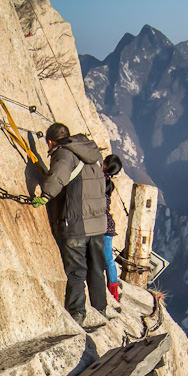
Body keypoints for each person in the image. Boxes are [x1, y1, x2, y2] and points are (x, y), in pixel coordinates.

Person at [37, 122, 109, 324]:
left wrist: (45, 195)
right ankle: (100, 308)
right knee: (96, 267)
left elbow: (56, 179)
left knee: (76, 270)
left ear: (51, 141)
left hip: (77, 223)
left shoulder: (64, 154)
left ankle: (77, 313)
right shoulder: (92, 154)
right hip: (98, 224)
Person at [102, 154, 123, 303]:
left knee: (108, 259)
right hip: (108, 225)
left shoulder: (99, 179)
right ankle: (113, 289)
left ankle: (113, 291)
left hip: (102, 225)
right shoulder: (108, 182)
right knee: (109, 260)